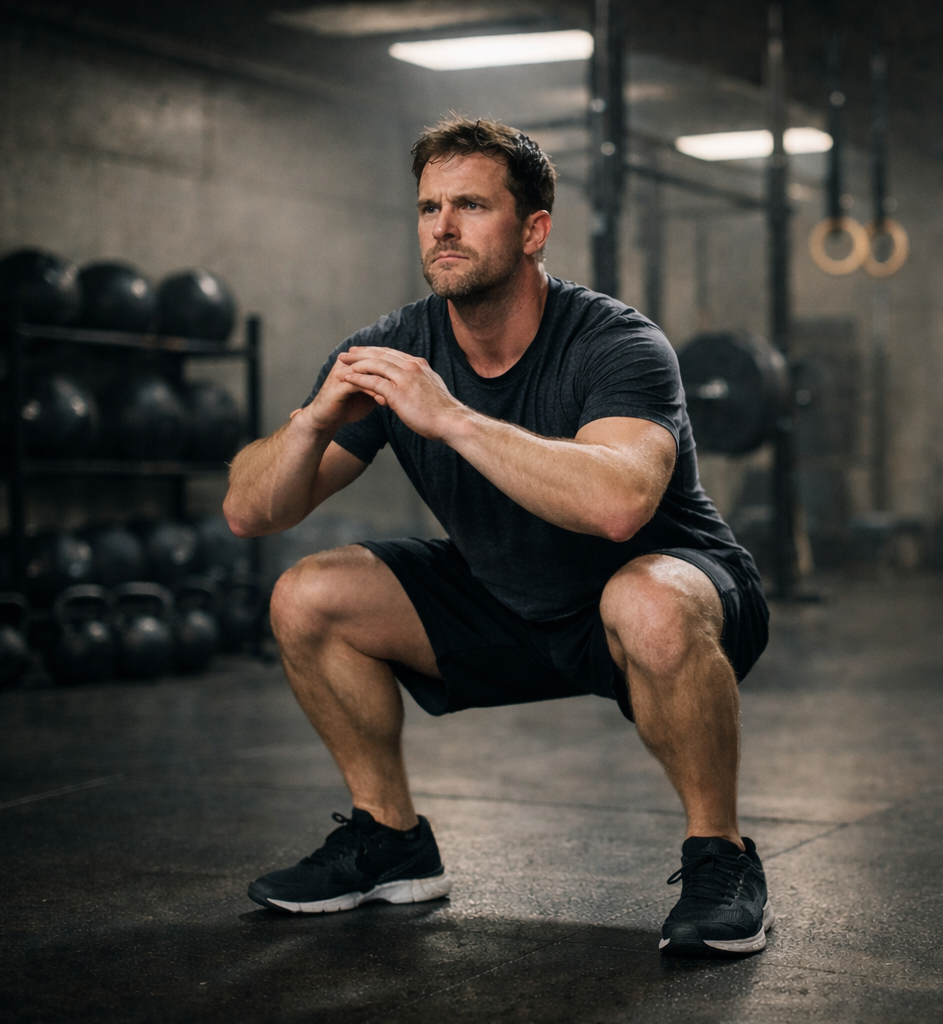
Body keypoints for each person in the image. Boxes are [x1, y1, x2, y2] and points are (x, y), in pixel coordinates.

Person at [222, 117, 772, 958]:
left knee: (648, 600)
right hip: (505, 595)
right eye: (429, 207)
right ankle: (389, 841)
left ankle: (722, 860)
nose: (442, 226)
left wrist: (452, 419)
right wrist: (310, 426)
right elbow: (249, 512)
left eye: (471, 205)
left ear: (533, 230)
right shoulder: (392, 346)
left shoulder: (616, 342)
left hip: (660, 591)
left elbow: (619, 505)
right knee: (310, 594)